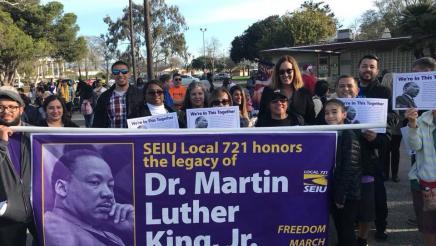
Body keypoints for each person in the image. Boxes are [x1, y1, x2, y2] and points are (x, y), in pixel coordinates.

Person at [44, 149, 133, 246]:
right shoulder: (53, 227)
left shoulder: (109, 235)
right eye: (94, 182)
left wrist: (133, 230)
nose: (108, 193)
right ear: (62, 188)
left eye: (110, 185)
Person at [357, 54, 391, 242]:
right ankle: (357, 225)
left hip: (375, 149)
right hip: (353, 148)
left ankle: (381, 226)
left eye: (371, 67)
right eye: (364, 66)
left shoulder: (383, 92)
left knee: (378, 195)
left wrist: (377, 136)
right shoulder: (351, 89)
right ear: (359, 68)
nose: (367, 69)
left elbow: (392, 118)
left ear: (376, 70)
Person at [0, 86, 38, 246]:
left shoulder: (34, 133)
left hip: (38, 209)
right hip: (8, 214)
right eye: (1, 107)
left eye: (11, 107)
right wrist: (2, 143)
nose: (6, 111)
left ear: (21, 109)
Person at [324, 99, 361, 246]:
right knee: (339, 228)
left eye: (334, 112)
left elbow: (349, 168)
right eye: (326, 113)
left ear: (344, 114)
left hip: (347, 193)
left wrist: (341, 195)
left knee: (346, 231)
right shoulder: (329, 133)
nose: (330, 116)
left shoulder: (348, 135)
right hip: (336, 190)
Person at [405, 108, 436, 246]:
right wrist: (412, 124)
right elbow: (415, 146)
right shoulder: (422, 120)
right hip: (427, 183)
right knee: (429, 226)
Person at [258, 55, 315, 125]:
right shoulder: (268, 91)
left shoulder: (304, 93)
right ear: (277, 74)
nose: (285, 74)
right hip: (274, 133)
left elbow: (311, 119)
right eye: (282, 72)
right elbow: (261, 117)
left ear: (295, 72)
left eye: (289, 71)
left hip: (298, 134)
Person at [92, 61, 144, 128]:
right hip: (112, 138)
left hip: (133, 137)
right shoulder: (104, 97)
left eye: (124, 71)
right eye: (116, 72)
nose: (120, 74)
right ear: (113, 75)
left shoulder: (140, 95)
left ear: (129, 74)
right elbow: (97, 123)